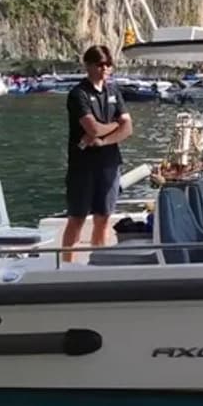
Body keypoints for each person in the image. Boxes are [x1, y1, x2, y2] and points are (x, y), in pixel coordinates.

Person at [62, 44, 133, 262]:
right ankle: (66, 262)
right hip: (82, 165)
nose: (105, 68)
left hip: (109, 163)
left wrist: (103, 141)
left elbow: (128, 128)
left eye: (108, 64)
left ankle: (98, 260)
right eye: (100, 64)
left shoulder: (113, 92)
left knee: (103, 217)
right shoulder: (78, 94)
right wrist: (114, 125)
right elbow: (92, 128)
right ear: (89, 66)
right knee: (77, 217)